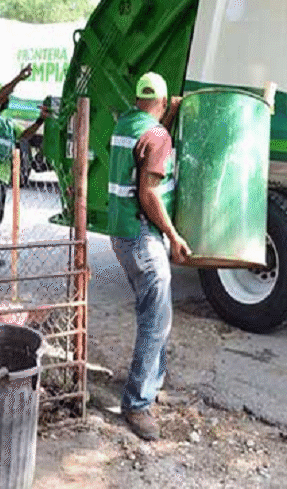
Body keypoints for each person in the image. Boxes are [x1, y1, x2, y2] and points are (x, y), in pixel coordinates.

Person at [108, 71, 191, 441]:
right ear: (163, 100)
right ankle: (137, 403)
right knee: (155, 320)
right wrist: (173, 235)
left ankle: (152, 385)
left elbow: (148, 139)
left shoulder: (126, 124)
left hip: (121, 232)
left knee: (156, 313)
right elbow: (149, 193)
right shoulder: (158, 137)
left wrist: (166, 116)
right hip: (143, 234)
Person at [0, 64, 49, 276]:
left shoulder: (5, 123)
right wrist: (18, 78)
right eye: (5, 95)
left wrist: (41, 120)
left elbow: (24, 136)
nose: (8, 98)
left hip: (1, 177)